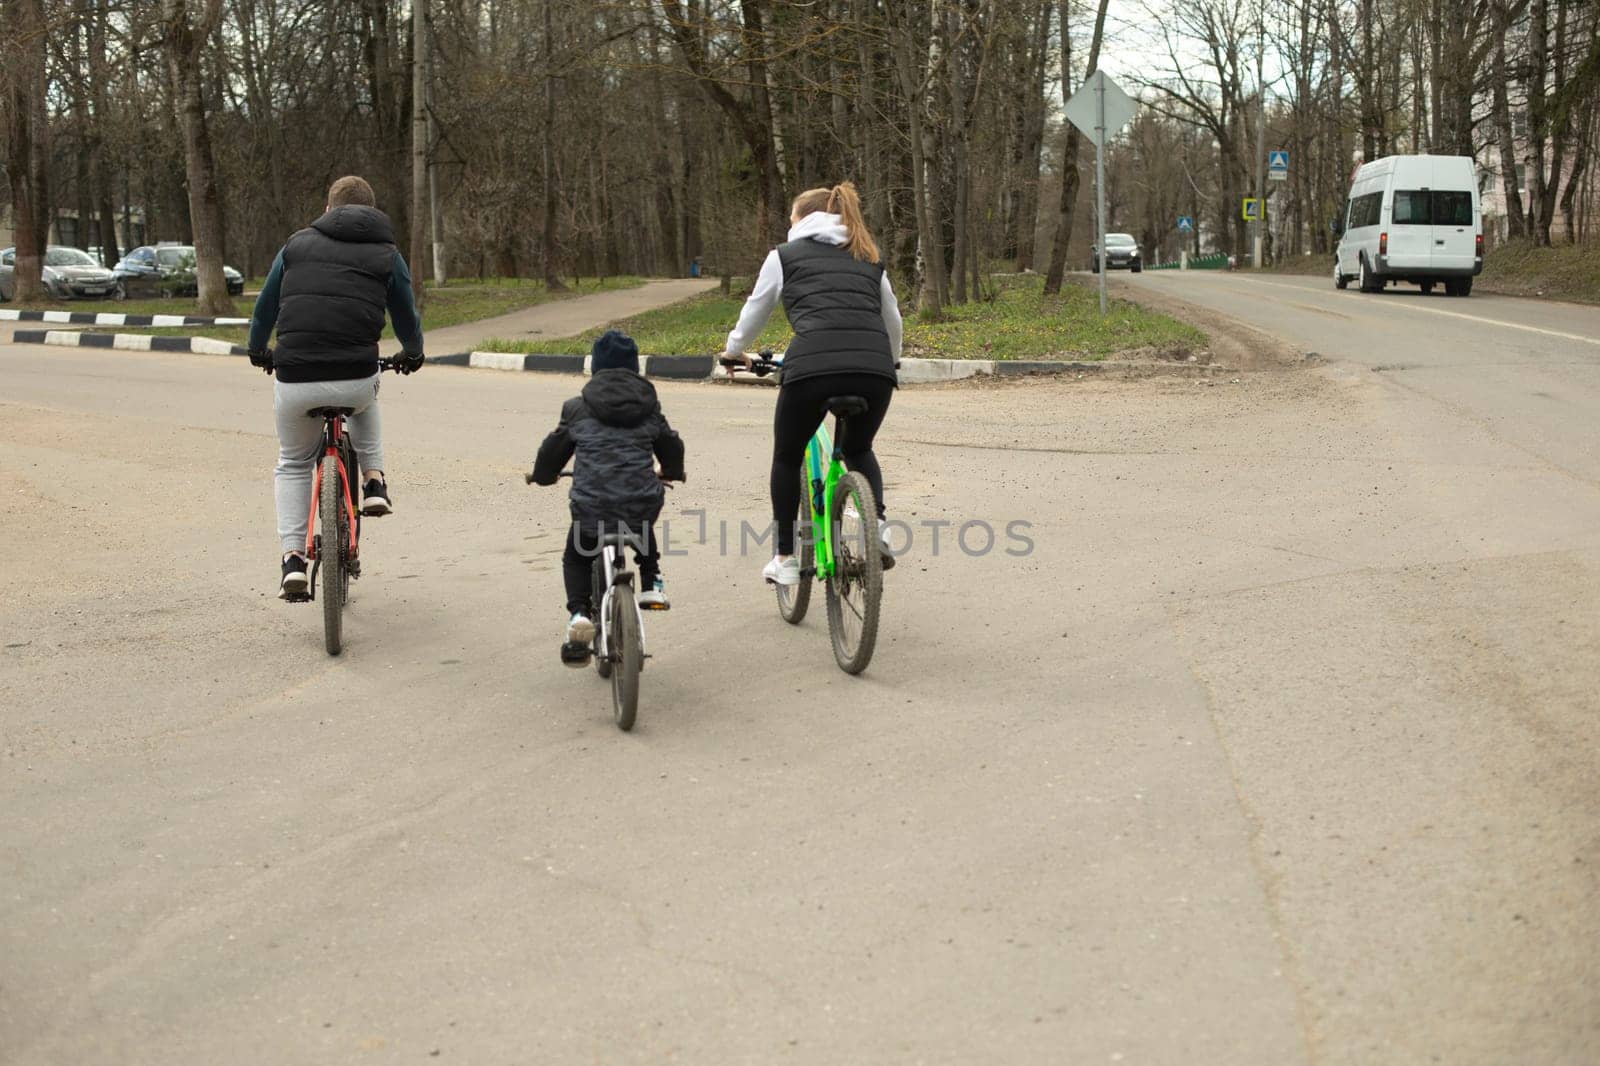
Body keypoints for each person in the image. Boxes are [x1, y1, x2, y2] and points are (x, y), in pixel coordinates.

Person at [248, 175, 425, 600]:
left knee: (292, 462)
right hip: (355, 375)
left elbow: (265, 306)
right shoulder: (387, 253)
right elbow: (405, 313)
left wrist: (258, 350)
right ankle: (374, 481)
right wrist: (413, 352)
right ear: (372, 210)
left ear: (328, 210)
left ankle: (292, 559)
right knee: (367, 394)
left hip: (295, 376)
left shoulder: (294, 246)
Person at [721, 181, 902, 586]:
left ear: (801, 219)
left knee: (787, 455)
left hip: (812, 369)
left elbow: (754, 313)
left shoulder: (783, 256)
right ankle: (881, 529)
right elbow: (893, 321)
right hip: (874, 371)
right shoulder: (869, 256)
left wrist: (734, 351)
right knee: (859, 447)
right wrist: (889, 362)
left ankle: (785, 557)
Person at [531, 331, 685, 663]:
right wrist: (671, 471)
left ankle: (579, 614)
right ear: (634, 368)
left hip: (591, 506)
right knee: (641, 519)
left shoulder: (577, 408)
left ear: (595, 367)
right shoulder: (649, 405)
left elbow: (551, 453)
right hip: (640, 500)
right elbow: (671, 445)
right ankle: (652, 581)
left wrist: (544, 476)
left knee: (576, 555)